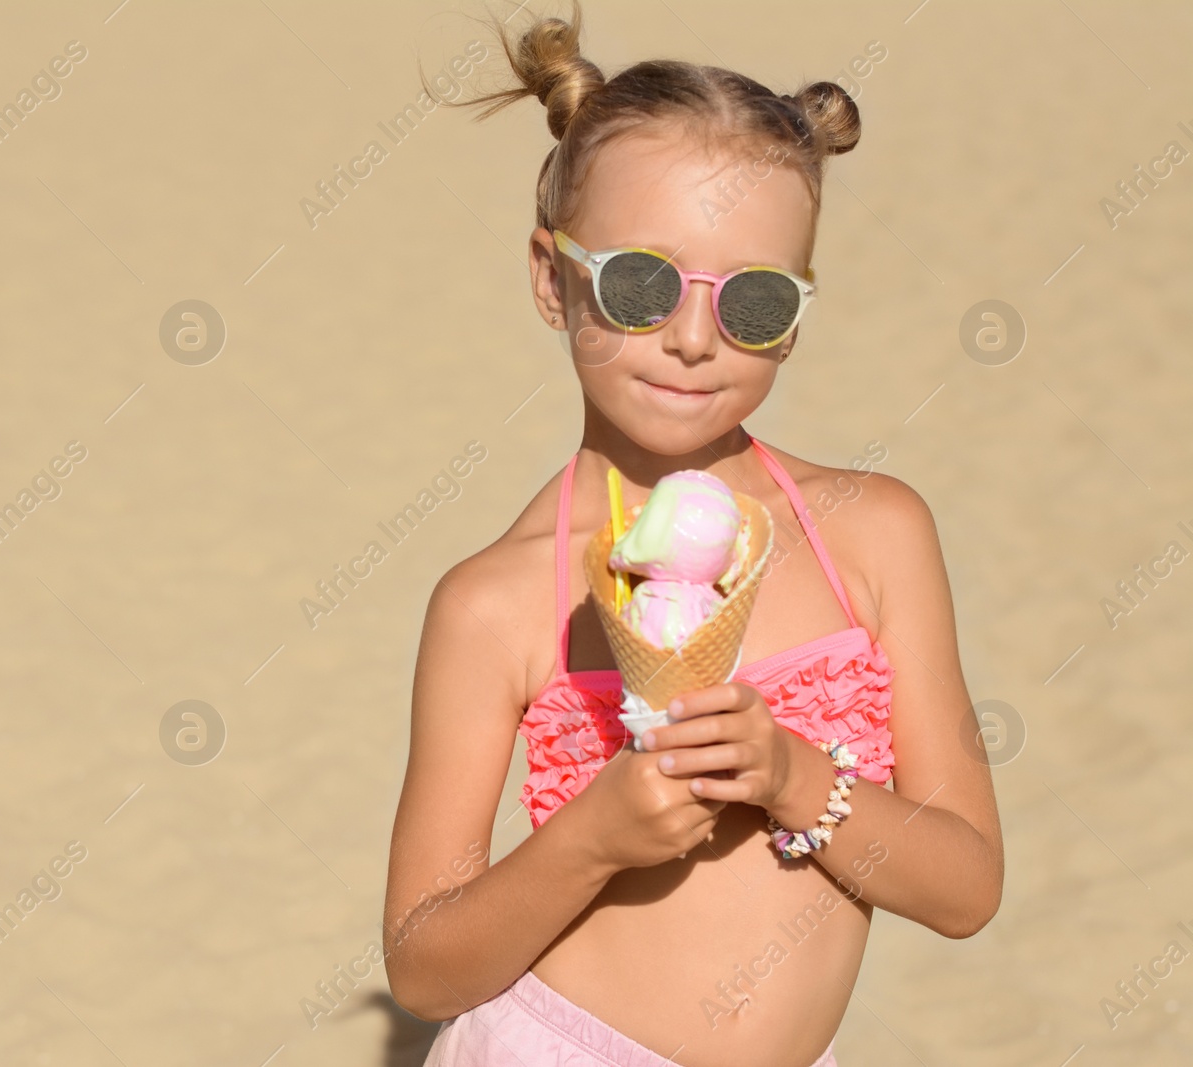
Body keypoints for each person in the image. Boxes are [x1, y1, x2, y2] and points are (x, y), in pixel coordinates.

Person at [382, 4, 1004, 1064]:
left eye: (751, 302)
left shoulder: (876, 533)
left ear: (796, 315)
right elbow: (425, 962)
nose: (687, 338)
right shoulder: (495, 601)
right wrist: (590, 839)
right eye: (639, 283)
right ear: (550, 275)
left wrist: (793, 775)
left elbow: (964, 887)